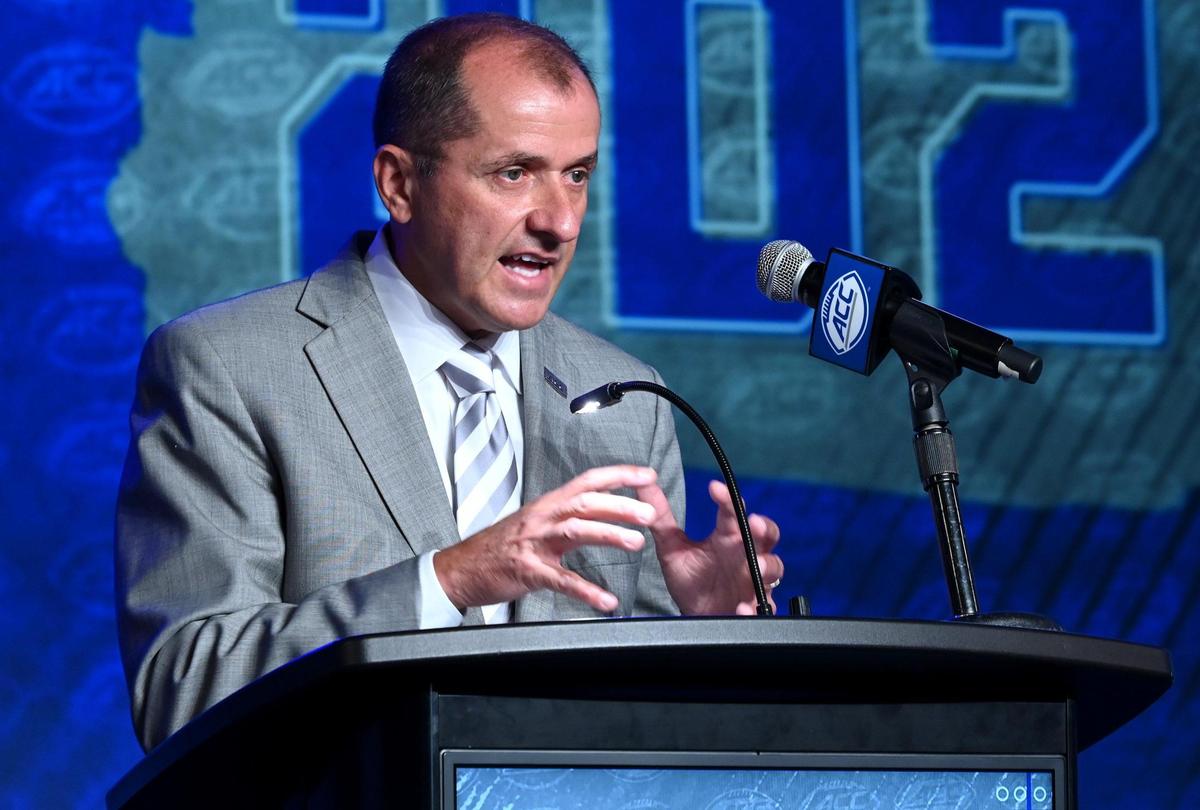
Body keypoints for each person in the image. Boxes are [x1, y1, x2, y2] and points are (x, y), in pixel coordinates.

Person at [115, 13, 783, 752]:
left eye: (578, 175)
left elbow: (647, 740)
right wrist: (448, 581)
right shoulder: (228, 368)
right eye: (514, 173)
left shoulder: (627, 401)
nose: (560, 221)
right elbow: (186, 686)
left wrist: (710, 638)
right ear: (399, 184)